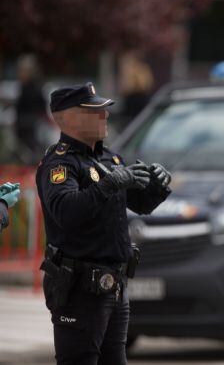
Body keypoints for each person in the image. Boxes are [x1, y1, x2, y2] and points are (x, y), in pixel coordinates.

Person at [36, 82, 171, 364]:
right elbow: (67, 212)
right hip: (81, 290)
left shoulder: (109, 158)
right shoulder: (60, 165)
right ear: (70, 118)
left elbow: (139, 204)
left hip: (115, 286)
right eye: (96, 110)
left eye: (104, 109)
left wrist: (157, 186)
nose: (105, 115)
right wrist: (108, 185)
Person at [15, 54, 47, 162]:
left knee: (32, 153)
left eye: (23, 71)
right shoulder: (23, 87)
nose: (20, 74)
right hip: (23, 127)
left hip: (30, 127)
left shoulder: (34, 88)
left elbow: (41, 107)